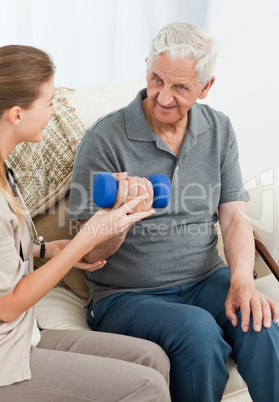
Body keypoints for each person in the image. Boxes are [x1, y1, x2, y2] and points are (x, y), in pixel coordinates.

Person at [68, 22, 279, 402]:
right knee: (197, 332)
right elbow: (86, 253)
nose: (163, 97)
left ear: (206, 87)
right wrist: (122, 216)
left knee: (260, 320)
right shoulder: (104, 138)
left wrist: (242, 281)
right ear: (146, 66)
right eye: (156, 79)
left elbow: (233, 217)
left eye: (180, 87)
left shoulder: (219, 129)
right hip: (125, 296)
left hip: (205, 280)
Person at [0, 45, 172, 402]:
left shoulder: (5, 169)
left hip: (23, 334)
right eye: (48, 101)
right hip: (6, 353)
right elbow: (8, 305)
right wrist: (85, 238)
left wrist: (46, 249)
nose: (54, 110)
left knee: (151, 357)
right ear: (16, 114)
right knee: (147, 386)